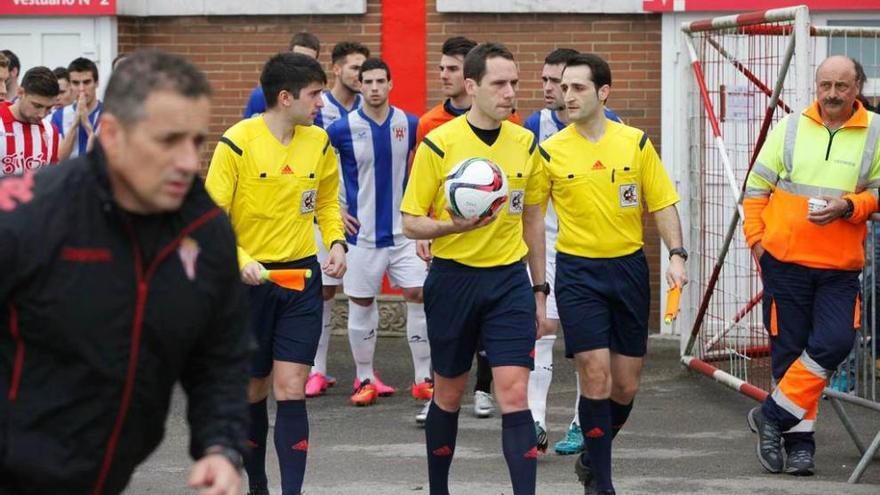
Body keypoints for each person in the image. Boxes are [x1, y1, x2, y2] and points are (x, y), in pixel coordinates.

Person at [0, 49, 250, 495]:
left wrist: (220, 447)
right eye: (168, 141)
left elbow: (220, 356)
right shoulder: (27, 217)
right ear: (112, 134)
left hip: (105, 476)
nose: (190, 162)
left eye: (196, 141)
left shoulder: (205, 229)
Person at [531, 53, 687, 495]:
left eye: (578, 88)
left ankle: (592, 455)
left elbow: (662, 203)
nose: (568, 96)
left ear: (603, 92)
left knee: (625, 384)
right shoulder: (550, 151)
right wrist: (539, 284)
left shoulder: (635, 143)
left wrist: (677, 255)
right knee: (594, 374)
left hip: (629, 269)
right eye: (564, 88)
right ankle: (602, 482)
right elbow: (532, 220)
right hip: (578, 273)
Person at [401, 42, 548, 495]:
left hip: (508, 282)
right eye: (499, 84)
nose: (510, 93)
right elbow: (410, 222)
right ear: (472, 86)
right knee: (448, 394)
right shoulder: (439, 143)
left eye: (515, 83)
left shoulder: (525, 142)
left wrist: (539, 290)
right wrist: (452, 225)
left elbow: (533, 219)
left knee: (514, 395)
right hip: (453, 279)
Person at [206, 52, 346, 495]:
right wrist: (240, 258)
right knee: (252, 390)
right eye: (315, 94)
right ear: (285, 98)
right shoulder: (236, 142)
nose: (321, 103)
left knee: (292, 388)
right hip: (248, 286)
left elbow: (326, 201)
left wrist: (337, 242)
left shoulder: (319, 142)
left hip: (301, 282)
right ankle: (258, 484)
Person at [743, 55, 880, 477]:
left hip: (839, 268)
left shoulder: (876, 133)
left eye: (842, 86)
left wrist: (849, 206)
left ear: (857, 87)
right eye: (825, 85)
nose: (832, 94)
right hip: (785, 264)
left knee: (836, 342)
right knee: (788, 352)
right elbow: (755, 189)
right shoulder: (788, 128)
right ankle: (800, 446)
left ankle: (772, 415)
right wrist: (758, 245)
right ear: (816, 86)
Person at [522, 48, 625, 456]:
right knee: (542, 329)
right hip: (547, 242)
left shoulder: (614, 126)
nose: (552, 90)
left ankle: (582, 423)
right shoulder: (533, 124)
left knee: (590, 344)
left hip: (589, 249)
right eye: (547, 81)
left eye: (560, 82)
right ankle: (535, 420)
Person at [415, 35, 515, 419]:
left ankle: (485, 388)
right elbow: (422, 185)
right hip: (452, 257)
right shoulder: (432, 126)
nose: (445, 75)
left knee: (499, 348)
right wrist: (433, 229)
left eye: (452, 68)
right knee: (452, 350)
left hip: (502, 262)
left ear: (467, 77)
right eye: (442, 68)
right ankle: (441, 393)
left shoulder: (514, 128)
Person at [326, 58, 432, 413]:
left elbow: (428, 172)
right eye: (366, 81)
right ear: (360, 85)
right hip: (362, 236)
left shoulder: (410, 123)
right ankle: (365, 378)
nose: (373, 87)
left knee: (418, 294)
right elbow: (319, 171)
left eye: (379, 81)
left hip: (403, 234)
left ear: (391, 85)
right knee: (361, 302)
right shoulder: (340, 129)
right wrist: (336, 210)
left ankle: (422, 379)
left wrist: (425, 217)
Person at [305, 40, 374, 399]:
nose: (362, 77)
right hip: (324, 216)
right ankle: (317, 369)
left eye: (365, 70)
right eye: (355, 69)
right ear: (336, 69)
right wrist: (331, 207)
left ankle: (365, 374)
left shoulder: (368, 107)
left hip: (361, 222)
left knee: (362, 294)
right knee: (323, 291)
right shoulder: (319, 108)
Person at [243, 32, 321, 118]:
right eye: (298, 58)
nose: (302, 65)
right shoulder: (262, 95)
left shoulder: (316, 100)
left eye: (308, 61)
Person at [2, 66, 60, 173]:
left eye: (49, 108)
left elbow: (50, 181)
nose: (42, 114)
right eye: (37, 105)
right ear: (20, 93)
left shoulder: (51, 131)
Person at [51, 57, 102, 160]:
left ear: (96, 83)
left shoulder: (109, 113)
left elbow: (103, 157)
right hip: (70, 175)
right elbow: (60, 158)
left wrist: (87, 125)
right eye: (75, 83)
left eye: (87, 82)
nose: (81, 89)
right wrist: (74, 124)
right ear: (69, 85)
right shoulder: (58, 116)